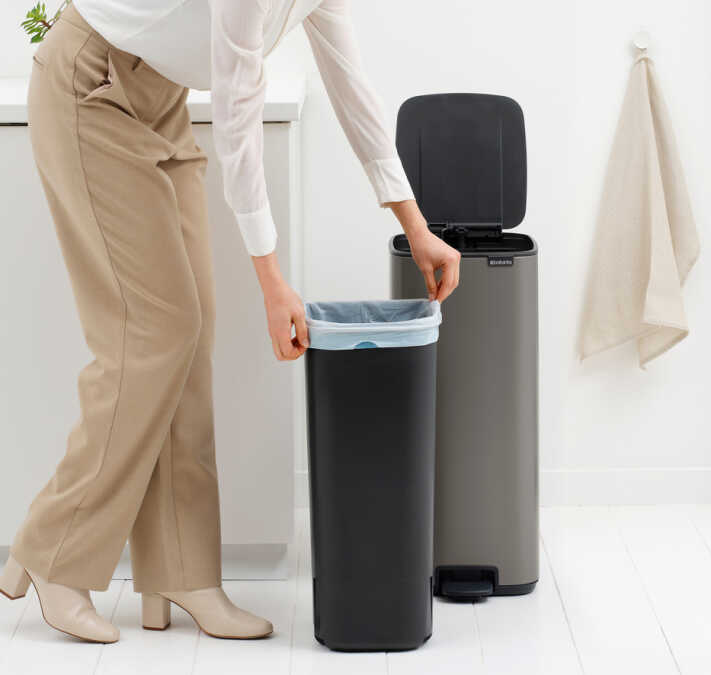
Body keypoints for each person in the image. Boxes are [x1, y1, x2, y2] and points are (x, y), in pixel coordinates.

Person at [0, 0, 460, 643]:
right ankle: (53, 551)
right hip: (91, 88)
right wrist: (272, 283)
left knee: (189, 338)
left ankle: (184, 573)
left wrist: (416, 227)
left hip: (158, 98)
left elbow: (351, 87)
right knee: (155, 334)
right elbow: (239, 109)